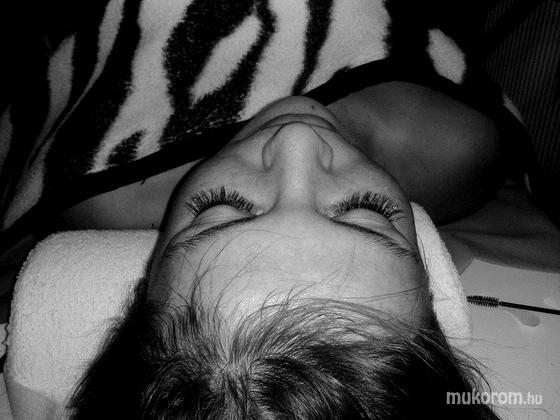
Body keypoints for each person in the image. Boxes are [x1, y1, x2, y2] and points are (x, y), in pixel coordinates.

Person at [1, 1, 530, 418]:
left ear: (146, 266)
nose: (297, 141)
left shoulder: (90, 176)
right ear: (430, 275)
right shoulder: (464, 150)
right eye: (366, 212)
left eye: (219, 209)